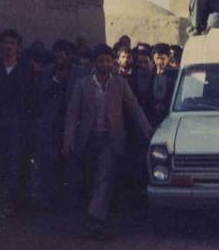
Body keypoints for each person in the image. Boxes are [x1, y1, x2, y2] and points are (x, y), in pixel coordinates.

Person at [62, 44, 153, 238]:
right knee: (92, 178)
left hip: (111, 140)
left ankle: (95, 218)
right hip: (87, 139)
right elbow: (72, 113)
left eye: (108, 61)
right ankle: (94, 216)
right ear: (95, 63)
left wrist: (149, 134)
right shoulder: (82, 85)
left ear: (113, 63)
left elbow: (135, 109)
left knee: (104, 175)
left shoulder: (120, 84)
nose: (105, 64)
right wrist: (68, 139)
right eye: (101, 61)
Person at [30, 39, 89, 211]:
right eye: (58, 55)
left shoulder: (81, 72)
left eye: (64, 55)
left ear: (70, 56)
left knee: (72, 164)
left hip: (73, 124)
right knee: (50, 164)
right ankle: (49, 201)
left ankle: (71, 202)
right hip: (52, 126)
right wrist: (55, 80)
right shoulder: (48, 72)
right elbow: (39, 96)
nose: (61, 58)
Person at [0, 28, 35, 215]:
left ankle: (14, 203)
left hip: (17, 124)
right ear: (0, 45)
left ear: (18, 47)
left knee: (16, 163)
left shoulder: (25, 69)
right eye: (5, 42)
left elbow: (29, 98)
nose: (9, 46)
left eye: (12, 43)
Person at [151, 43, 177, 126]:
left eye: (162, 58)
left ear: (168, 58)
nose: (159, 62)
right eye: (157, 58)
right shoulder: (150, 73)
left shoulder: (174, 74)